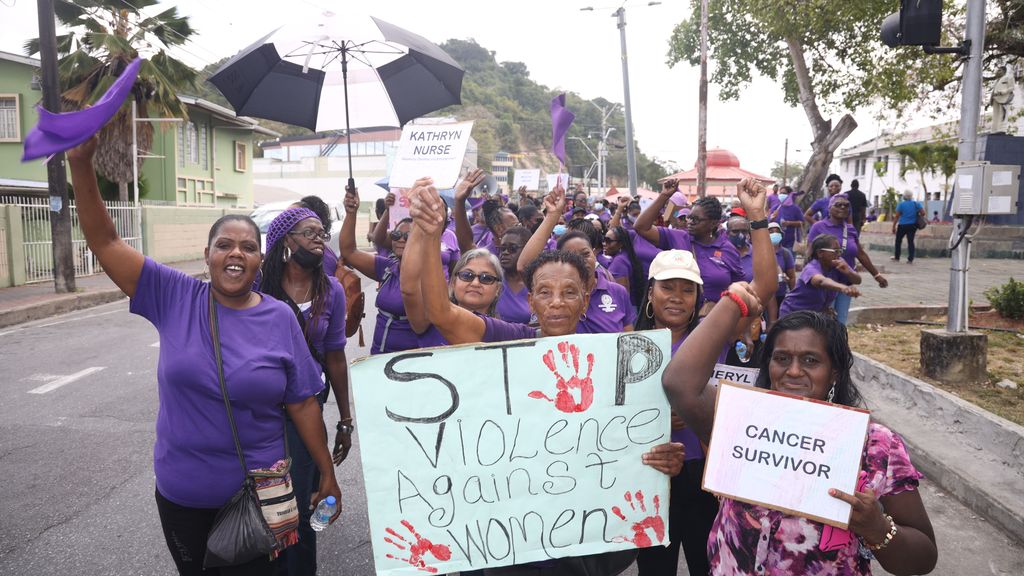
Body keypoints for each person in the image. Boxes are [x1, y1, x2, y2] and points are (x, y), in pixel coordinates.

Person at [68, 136, 341, 576]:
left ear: (259, 259)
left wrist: (326, 473)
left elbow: (304, 403)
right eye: (224, 245)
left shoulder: (279, 318)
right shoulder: (173, 295)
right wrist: (81, 162)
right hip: (183, 496)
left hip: (262, 495)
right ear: (208, 256)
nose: (236, 253)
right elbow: (104, 240)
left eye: (247, 247)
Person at [664, 305, 938, 575]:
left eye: (810, 360)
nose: (793, 371)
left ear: (834, 372)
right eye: (782, 358)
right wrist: (733, 302)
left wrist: (876, 527)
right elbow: (679, 384)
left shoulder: (876, 444)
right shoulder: (742, 419)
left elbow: (923, 556)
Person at [257, 208, 352, 575]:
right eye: (309, 233)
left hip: (308, 408)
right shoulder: (258, 288)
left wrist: (344, 420)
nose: (318, 240)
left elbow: (335, 357)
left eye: (321, 233)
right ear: (285, 240)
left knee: (299, 500)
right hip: (260, 410)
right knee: (260, 498)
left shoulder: (333, 292)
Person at [519, 193, 635, 334]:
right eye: (571, 256)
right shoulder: (553, 295)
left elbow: (629, 339)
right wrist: (552, 215)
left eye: (585, 254)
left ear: (595, 253)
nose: (580, 261)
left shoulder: (617, 292)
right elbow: (524, 266)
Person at [340, 185, 429, 354]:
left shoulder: (430, 276)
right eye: (396, 235)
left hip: (414, 360)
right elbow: (349, 251)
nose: (400, 239)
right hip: (379, 356)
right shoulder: (387, 268)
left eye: (408, 236)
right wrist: (351, 212)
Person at [634, 179, 744, 313]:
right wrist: (664, 196)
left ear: (714, 223)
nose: (690, 222)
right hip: (678, 316)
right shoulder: (678, 237)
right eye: (689, 218)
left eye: (696, 220)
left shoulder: (727, 249)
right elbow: (641, 227)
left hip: (714, 321)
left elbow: (739, 287)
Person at [808, 194, 888, 324]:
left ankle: (839, 344)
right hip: (827, 284)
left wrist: (877, 275)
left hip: (847, 281)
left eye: (846, 205)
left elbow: (860, 253)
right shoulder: (818, 227)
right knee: (825, 322)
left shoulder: (850, 229)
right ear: (829, 208)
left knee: (841, 322)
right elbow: (810, 254)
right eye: (838, 204)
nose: (843, 207)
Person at [779, 234, 861, 318]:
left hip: (813, 315)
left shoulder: (838, 264)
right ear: (820, 253)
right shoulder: (811, 268)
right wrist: (843, 288)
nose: (839, 255)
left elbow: (858, 281)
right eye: (835, 251)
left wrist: (848, 272)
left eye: (840, 251)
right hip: (793, 314)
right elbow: (822, 281)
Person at [454, 169, 520, 256]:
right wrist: (459, 201)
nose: (521, 228)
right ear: (499, 229)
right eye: (515, 225)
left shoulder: (525, 251)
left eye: (519, 224)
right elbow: (467, 247)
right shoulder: (485, 256)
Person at [494, 226, 534, 324]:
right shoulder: (492, 280)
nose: (505, 253)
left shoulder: (535, 284)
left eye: (512, 248)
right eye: (503, 248)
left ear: (526, 250)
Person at [604, 225, 646, 308]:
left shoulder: (619, 262)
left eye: (608, 241)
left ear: (620, 244)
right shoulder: (626, 256)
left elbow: (622, 297)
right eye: (604, 240)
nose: (604, 244)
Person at [767, 221, 797, 326]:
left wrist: (793, 295)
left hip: (781, 295)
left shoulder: (785, 253)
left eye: (777, 231)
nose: (774, 234)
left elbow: (792, 277)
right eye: (771, 231)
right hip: (765, 297)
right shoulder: (760, 252)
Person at [769, 185, 805, 252]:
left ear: (789, 194)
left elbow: (802, 222)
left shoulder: (795, 209)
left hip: (790, 243)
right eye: (780, 193)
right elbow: (769, 223)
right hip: (776, 243)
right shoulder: (775, 208)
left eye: (784, 193)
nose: (781, 195)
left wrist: (789, 223)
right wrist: (772, 219)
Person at [893, 191, 925, 264]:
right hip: (912, 225)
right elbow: (923, 213)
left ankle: (897, 257)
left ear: (904, 196)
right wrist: (916, 213)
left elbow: (897, 216)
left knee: (898, 241)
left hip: (902, 225)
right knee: (910, 241)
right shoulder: (916, 204)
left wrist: (893, 226)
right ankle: (910, 259)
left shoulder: (901, 204)